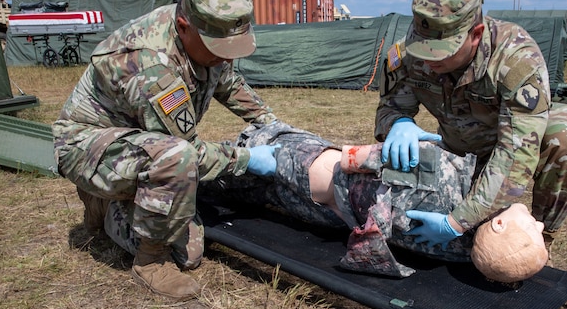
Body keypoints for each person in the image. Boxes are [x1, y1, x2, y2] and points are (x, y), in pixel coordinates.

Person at [53, 0, 280, 301]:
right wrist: (248, 159)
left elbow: (228, 82)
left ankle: (119, 200)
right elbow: (188, 152)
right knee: (178, 165)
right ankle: (148, 259)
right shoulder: (150, 64)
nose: (224, 56)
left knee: (190, 246)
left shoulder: (204, 34)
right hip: (88, 147)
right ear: (184, 27)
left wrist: (272, 125)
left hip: (140, 141)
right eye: (218, 47)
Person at [375, 0, 567, 258]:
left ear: (476, 34)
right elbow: (389, 109)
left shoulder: (515, 59)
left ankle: (541, 238)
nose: (429, 63)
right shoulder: (407, 55)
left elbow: (515, 156)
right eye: (423, 48)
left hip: (514, 145)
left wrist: (456, 222)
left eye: (442, 53)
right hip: (462, 149)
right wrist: (398, 122)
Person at [200, 121, 548, 283]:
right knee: (249, 191)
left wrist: (275, 158)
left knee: (243, 162)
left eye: (532, 228)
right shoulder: (457, 249)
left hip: (310, 172)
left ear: (499, 223)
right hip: (324, 217)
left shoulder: (451, 184)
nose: (540, 223)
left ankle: (190, 165)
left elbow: (347, 169)